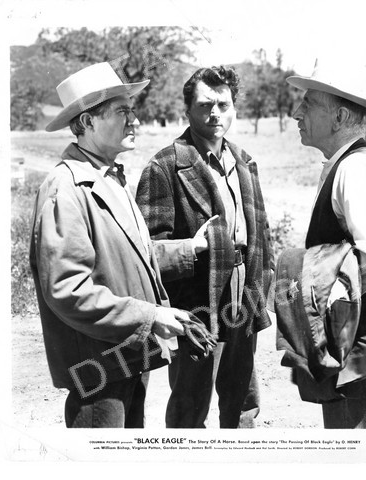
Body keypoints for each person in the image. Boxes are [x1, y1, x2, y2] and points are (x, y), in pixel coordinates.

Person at [29, 62, 216, 428]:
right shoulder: (65, 188)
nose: (135, 120)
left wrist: (190, 248)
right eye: (122, 111)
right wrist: (151, 315)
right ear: (87, 122)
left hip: (126, 357)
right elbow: (67, 290)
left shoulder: (109, 178)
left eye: (132, 110)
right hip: (99, 372)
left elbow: (129, 256)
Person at [135, 65, 273, 429]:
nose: (215, 114)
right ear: (187, 110)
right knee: (190, 400)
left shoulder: (244, 162)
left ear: (234, 108)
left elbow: (262, 231)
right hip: (196, 299)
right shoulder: (165, 167)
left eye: (223, 105)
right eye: (205, 105)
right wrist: (193, 248)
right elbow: (146, 252)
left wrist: (265, 283)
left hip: (244, 292)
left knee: (243, 395)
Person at [284, 61, 366, 429]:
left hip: (359, 345)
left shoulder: (356, 169)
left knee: (356, 445)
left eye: (308, 103)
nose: (297, 113)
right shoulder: (345, 164)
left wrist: (322, 300)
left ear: (340, 116)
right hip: (352, 341)